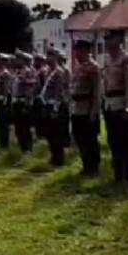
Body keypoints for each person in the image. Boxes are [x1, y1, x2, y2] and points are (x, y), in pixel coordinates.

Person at [103, 30, 128, 183]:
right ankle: (117, 173)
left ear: (119, 40)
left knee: (124, 141)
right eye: (106, 39)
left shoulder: (125, 58)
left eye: (110, 39)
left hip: (121, 103)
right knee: (113, 141)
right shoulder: (108, 59)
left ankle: (126, 173)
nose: (107, 42)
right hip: (110, 103)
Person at [70, 40, 102, 177]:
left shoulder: (93, 67)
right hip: (77, 108)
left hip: (87, 108)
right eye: (75, 50)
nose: (76, 53)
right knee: (80, 139)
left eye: (79, 50)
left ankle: (93, 167)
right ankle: (86, 165)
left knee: (90, 140)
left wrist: (94, 111)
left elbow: (97, 91)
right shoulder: (78, 67)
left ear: (86, 51)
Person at [41, 47, 68, 166]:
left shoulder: (59, 72)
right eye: (47, 55)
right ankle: (53, 156)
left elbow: (59, 91)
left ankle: (59, 158)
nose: (48, 58)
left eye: (51, 56)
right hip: (47, 104)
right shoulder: (48, 71)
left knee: (57, 134)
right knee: (50, 133)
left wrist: (56, 109)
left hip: (55, 106)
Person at [11, 51, 37, 153]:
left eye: (18, 59)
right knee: (19, 128)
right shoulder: (18, 72)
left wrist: (27, 103)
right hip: (16, 102)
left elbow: (31, 88)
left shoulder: (28, 71)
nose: (16, 61)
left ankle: (28, 149)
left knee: (25, 127)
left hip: (23, 102)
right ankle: (22, 148)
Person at [0, 53, 12, 149]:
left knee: (4, 124)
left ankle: (5, 144)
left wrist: (5, 102)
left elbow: (7, 90)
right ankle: (1, 143)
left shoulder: (5, 73)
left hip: (2, 101)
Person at [58, 51, 73, 147]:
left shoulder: (66, 70)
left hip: (65, 99)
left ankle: (66, 142)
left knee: (64, 121)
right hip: (59, 98)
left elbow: (67, 85)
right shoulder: (58, 70)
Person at [32, 53, 48, 139]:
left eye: (36, 60)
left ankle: (42, 135)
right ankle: (39, 134)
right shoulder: (36, 71)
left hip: (40, 98)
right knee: (37, 118)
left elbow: (42, 85)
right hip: (36, 97)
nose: (34, 62)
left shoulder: (43, 71)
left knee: (41, 118)